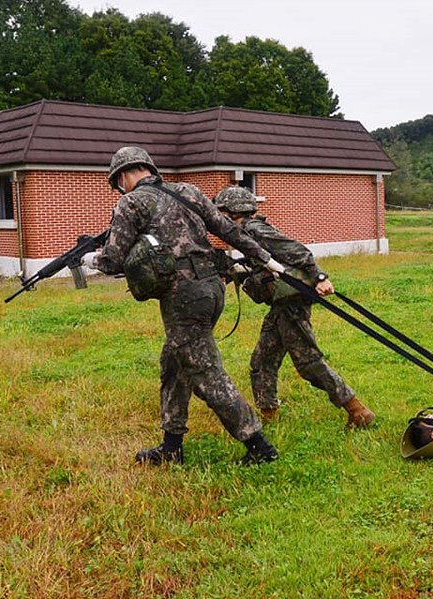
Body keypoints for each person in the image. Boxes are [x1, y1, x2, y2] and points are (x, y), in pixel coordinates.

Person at [81, 147, 287, 466]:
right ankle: (171, 446)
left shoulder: (131, 202)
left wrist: (90, 258)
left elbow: (112, 261)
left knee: (205, 372)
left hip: (183, 297)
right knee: (174, 363)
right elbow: (226, 228)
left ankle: (260, 447)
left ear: (122, 176)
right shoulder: (187, 191)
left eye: (117, 182)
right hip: (211, 287)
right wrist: (264, 257)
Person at [213, 186, 375, 428]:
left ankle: (357, 410)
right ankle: (268, 416)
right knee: (262, 361)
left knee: (309, 363)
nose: (220, 218)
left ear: (233, 211)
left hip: (292, 306)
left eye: (222, 212)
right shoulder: (245, 233)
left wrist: (320, 278)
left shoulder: (255, 230)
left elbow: (297, 251)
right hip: (281, 307)